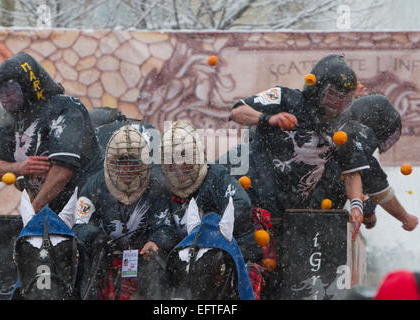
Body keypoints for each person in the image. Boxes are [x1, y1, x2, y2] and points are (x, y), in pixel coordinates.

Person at [227, 54, 371, 299]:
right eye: (333, 95)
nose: (338, 103)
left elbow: (352, 172)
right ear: (316, 88)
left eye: (345, 98)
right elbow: (237, 111)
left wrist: (357, 205)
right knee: (251, 277)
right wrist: (268, 119)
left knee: (293, 283)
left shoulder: (345, 127)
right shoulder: (286, 98)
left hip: (296, 217)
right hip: (256, 209)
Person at [0, 52, 103, 213]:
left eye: (11, 91)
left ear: (27, 87)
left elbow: (62, 172)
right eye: (1, 92)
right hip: (45, 209)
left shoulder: (66, 108)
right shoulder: (7, 118)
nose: (5, 98)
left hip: (85, 207)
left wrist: (33, 212)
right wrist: (20, 167)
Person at [158, 120, 263, 298]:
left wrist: (209, 234)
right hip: (185, 261)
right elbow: (162, 226)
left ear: (197, 155)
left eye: (184, 157)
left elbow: (241, 203)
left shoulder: (217, 178)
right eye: (173, 160)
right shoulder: (163, 189)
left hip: (229, 254)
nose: (179, 166)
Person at [72, 125, 173, 300]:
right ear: (111, 163)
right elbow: (79, 224)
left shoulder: (157, 185)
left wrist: (155, 242)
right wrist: (94, 237)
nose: (127, 168)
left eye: (133, 162)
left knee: (157, 270)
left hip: (143, 257)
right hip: (102, 255)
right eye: (121, 162)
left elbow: (164, 225)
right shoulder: (94, 184)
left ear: (144, 163)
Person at [309, 94, 418, 231]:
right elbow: (378, 190)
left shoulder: (335, 124)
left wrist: (366, 209)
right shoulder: (358, 136)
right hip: (313, 213)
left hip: (291, 201)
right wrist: (406, 218)